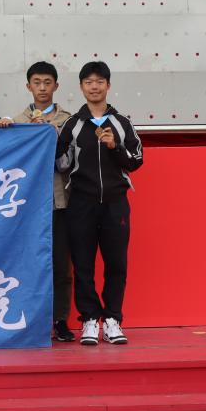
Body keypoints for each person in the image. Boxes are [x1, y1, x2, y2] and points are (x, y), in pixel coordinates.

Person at [55, 61, 144, 347]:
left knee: (116, 264)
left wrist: (114, 147)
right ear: (81, 87)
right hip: (81, 203)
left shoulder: (122, 123)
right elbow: (62, 164)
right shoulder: (72, 124)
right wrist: (52, 141)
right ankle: (90, 319)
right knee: (82, 265)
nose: (94, 87)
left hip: (115, 203)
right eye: (88, 82)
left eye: (99, 82)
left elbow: (136, 161)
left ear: (108, 86)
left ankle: (113, 319)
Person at [11, 62, 75, 342]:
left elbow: (69, 164)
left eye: (47, 82)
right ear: (28, 86)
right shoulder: (16, 121)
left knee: (61, 265)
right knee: (26, 264)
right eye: (36, 82)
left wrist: (53, 136)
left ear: (56, 86)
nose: (42, 88)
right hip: (27, 206)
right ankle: (28, 319)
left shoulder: (68, 121)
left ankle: (60, 320)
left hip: (59, 203)